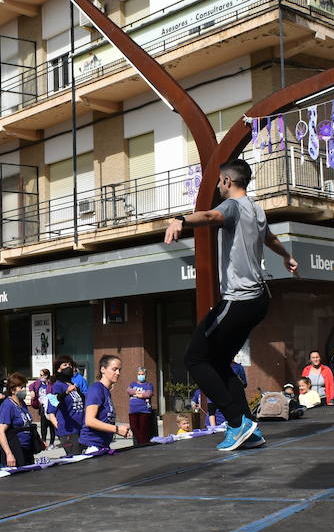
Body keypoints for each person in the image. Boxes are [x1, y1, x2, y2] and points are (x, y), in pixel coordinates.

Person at [165, 157, 299, 451]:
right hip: (259, 299)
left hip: (240, 299)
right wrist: (287, 256)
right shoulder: (256, 208)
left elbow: (212, 218)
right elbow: (270, 238)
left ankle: (237, 423)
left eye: (219, 182)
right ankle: (249, 431)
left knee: (195, 359)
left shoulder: (233, 206)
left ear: (227, 181)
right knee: (218, 361)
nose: (218, 186)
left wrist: (180, 220)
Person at [81, 355, 131, 453]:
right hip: (92, 445)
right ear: (103, 369)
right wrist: (116, 429)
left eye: (119, 370)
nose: (118, 373)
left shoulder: (106, 391)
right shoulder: (96, 389)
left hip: (102, 445)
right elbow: (89, 420)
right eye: (114, 369)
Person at [0, 373, 38, 468]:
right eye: (21, 387)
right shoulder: (8, 406)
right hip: (15, 449)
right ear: (12, 390)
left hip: (26, 449)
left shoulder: (22, 403)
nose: (24, 390)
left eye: (24, 387)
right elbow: (1, 432)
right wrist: (9, 454)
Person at [47, 361, 86, 455]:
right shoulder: (57, 385)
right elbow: (52, 406)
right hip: (68, 430)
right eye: (65, 365)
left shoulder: (73, 384)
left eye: (70, 365)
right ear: (59, 369)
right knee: (75, 458)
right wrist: (59, 427)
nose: (68, 367)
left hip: (80, 427)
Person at [126, 365, 157, 446]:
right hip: (133, 410)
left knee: (144, 429)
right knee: (134, 427)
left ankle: (142, 444)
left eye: (142, 374)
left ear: (145, 375)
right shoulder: (132, 384)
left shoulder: (148, 385)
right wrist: (139, 393)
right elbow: (129, 390)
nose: (140, 376)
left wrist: (138, 394)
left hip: (144, 410)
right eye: (139, 374)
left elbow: (148, 394)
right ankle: (142, 442)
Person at [30, 369, 57, 448]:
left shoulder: (51, 384)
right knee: (43, 425)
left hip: (49, 405)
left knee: (51, 425)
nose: (40, 377)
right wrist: (32, 391)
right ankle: (44, 442)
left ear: (46, 376)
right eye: (40, 375)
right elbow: (31, 386)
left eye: (42, 375)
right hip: (42, 406)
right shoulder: (38, 383)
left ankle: (52, 443)